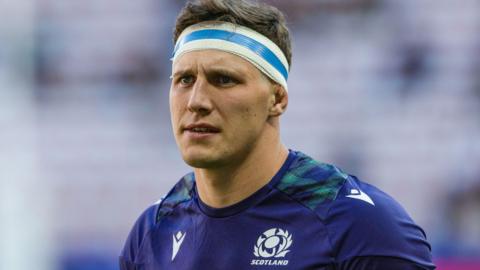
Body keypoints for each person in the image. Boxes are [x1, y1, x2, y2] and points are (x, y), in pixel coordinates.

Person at [120, 0, 436, 269]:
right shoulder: (152, 233)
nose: (196, 101)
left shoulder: (358, 227)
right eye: (184, 80)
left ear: (277, 99)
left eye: (224, 79)